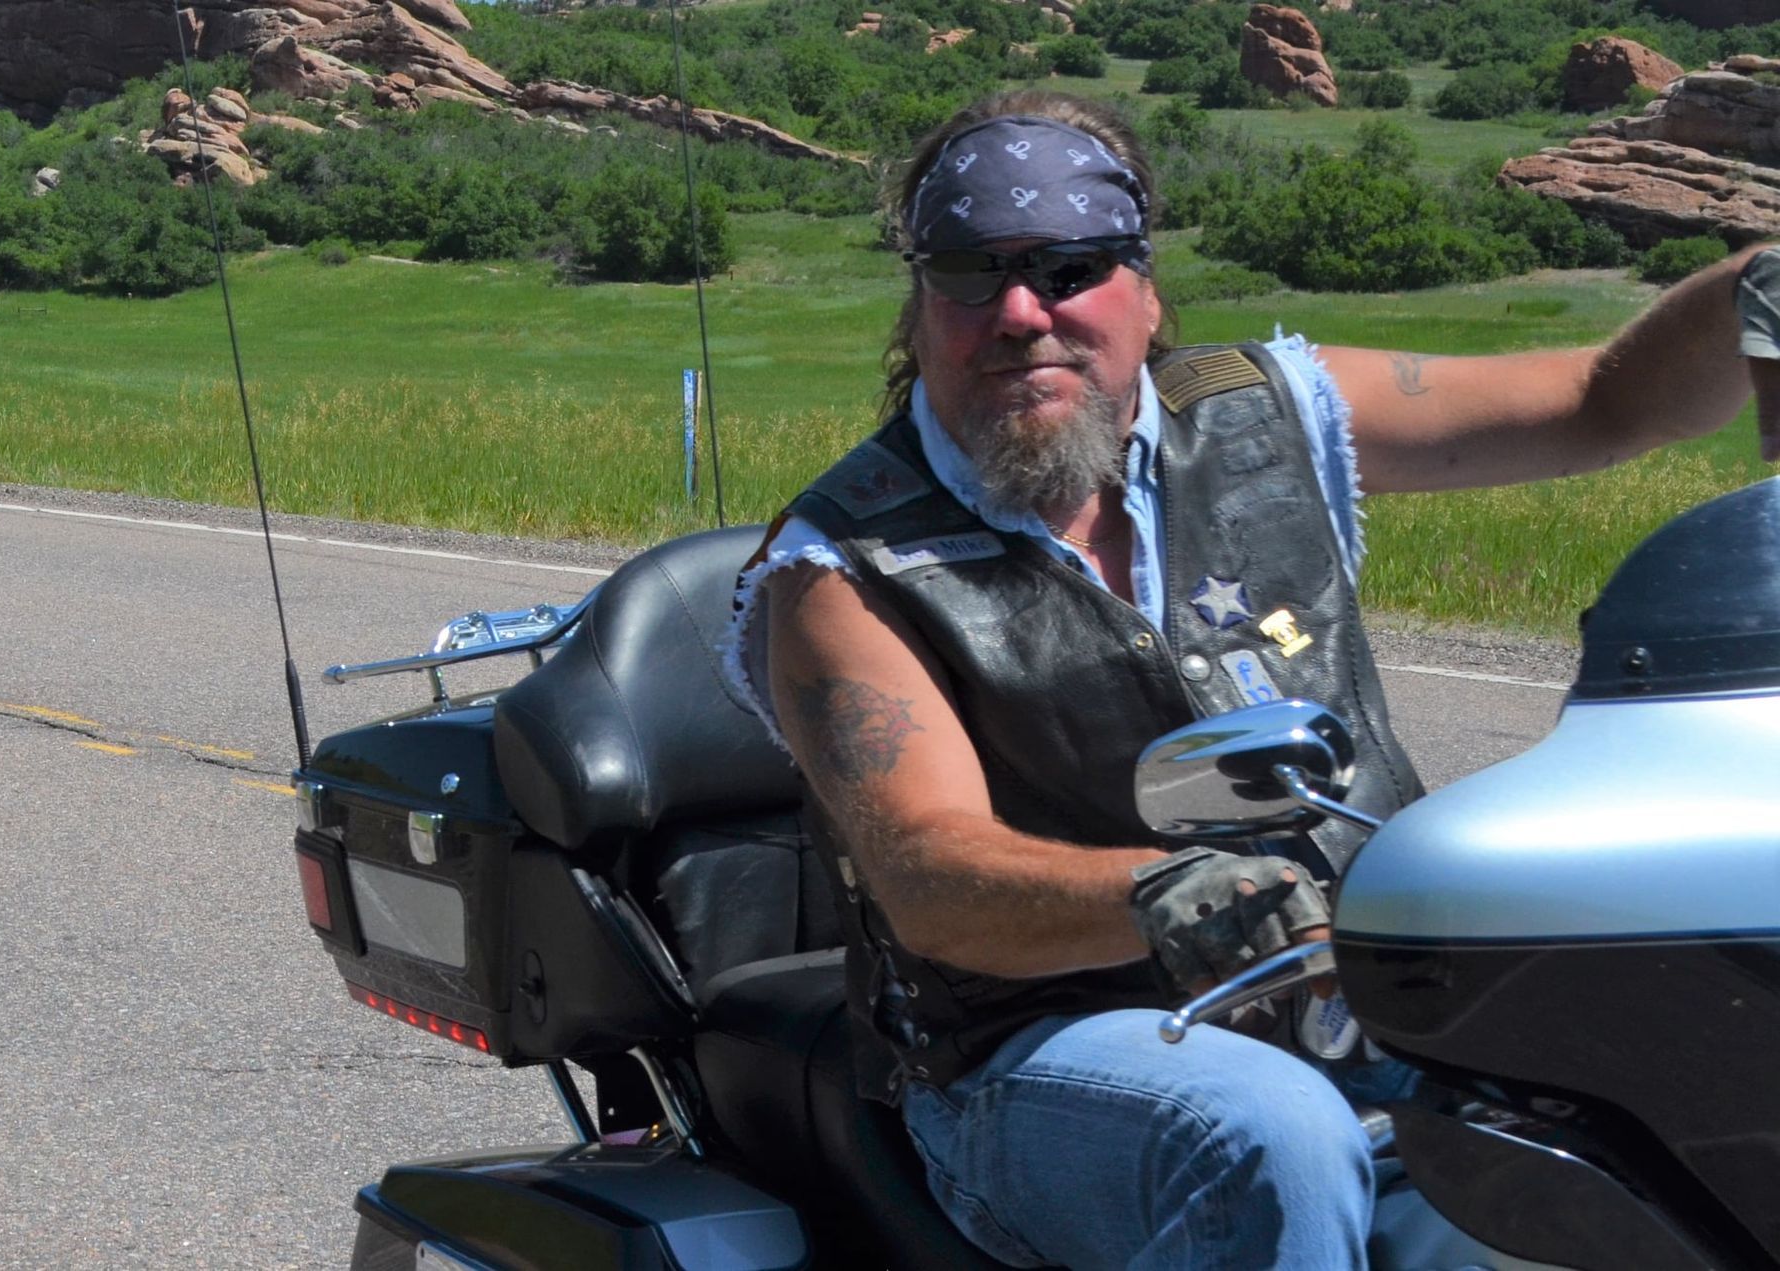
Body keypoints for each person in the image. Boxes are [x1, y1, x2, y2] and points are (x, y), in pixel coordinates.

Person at [721, 88, 1780, 1269]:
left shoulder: (1271, 414)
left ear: (1143, 287)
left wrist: (1750, 291)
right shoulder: (843, 564)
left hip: (1374, 998)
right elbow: (930, 872)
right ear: (921, 303)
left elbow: (1605, 400)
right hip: (1037, 1052)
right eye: (971, 271)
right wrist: (1162, 891)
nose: (1021, 312)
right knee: (1266, 1130)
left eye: (1070, 267)